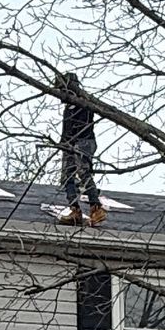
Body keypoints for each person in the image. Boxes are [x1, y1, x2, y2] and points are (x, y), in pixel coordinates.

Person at [58, 74, 104, 223]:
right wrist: (63, 144)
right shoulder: (68, 107)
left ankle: (96, 208)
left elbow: (82, 126)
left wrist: (73, 142)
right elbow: (66, 129)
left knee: (83, 171)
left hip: (83, 141)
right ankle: (75, 210)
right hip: (69, 144)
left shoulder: (83, 103)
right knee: (67, 177)